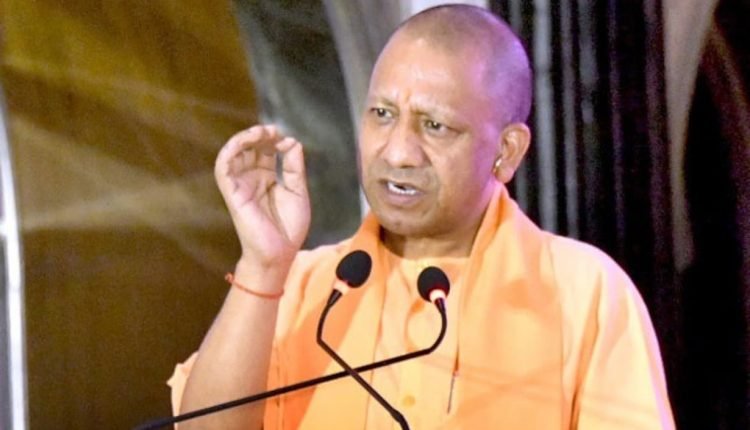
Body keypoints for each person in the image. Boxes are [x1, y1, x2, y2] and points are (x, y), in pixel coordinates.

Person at [169, 5, 674, 429]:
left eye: (434, 126)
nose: (398, 152)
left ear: (507, 151)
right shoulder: (304, 288)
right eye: (382, 114)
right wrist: (262, 265)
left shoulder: (583, 293)